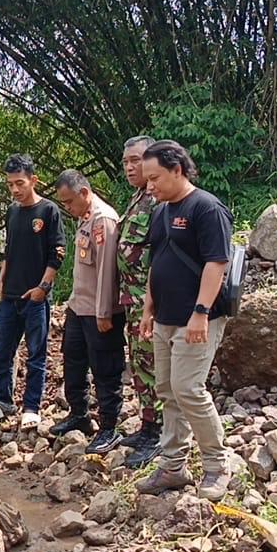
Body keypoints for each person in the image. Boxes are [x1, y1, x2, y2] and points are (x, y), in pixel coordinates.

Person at [134, 141, 236, 501]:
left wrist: (201, 312)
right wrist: (149, 307)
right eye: (147, 180)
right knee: (168, 390)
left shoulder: (206, 208)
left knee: (189, 389)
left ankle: (217, 466)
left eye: (155, 178)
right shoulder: (161, 212)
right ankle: (173, 466)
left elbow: (216, 263)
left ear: (177, 169)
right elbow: (156, 262)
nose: (150, 187)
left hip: (196, 318)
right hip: (165, 317)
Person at [0, 154, 65, 429]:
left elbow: (57, 254)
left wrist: (43, 287)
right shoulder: (12, 211)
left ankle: (32, 407)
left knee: (36, 353)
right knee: (2, 352)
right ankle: (3, 401)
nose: (15, 190)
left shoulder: (49, 211)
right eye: (10, 185)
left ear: (33, 180)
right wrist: (1, 277)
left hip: (36, 297)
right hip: (10, 295)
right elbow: (9, 248)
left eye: (20, 183)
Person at [51, 170, 126, 455]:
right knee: (73, 362)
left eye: (70, 201)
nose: (68, 208)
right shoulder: (85, 217)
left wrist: (104, 312)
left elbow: (108, 270)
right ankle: (79, 415)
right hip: (79, 306)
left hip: (99, 311)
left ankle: (109, 426)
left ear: (84, 193)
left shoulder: (103, 219)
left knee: (105, 368)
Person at [115, 135, 164, 468]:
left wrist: (150, 302)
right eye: (126, 162)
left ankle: (160, 433)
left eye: (136, 160)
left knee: (155, 364)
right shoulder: (138, 198)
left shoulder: (159, 200)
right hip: (131, 300)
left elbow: (159, 253)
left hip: (150, 301)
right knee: (141, 365)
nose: (131, 167)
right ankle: (147, 425)